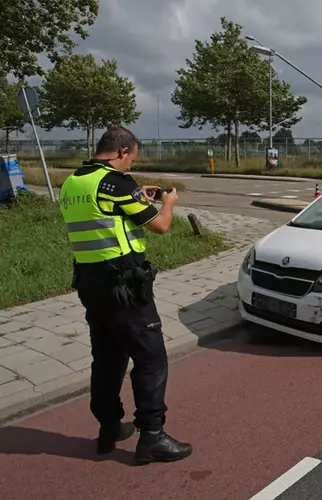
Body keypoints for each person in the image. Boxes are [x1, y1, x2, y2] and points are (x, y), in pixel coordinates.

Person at [58, 126, 192, 465]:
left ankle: (109, 428)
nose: (130, 164)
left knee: (107, 359)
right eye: (131, 157)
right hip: (125, 287)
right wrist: (168, 203)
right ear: (121, 151)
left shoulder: (73, 182)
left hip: (91, 284)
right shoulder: (117, 183)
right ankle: (152, 436)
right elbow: (160, 225)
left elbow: (105, 217)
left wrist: (136, 197)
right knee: (151, 358)